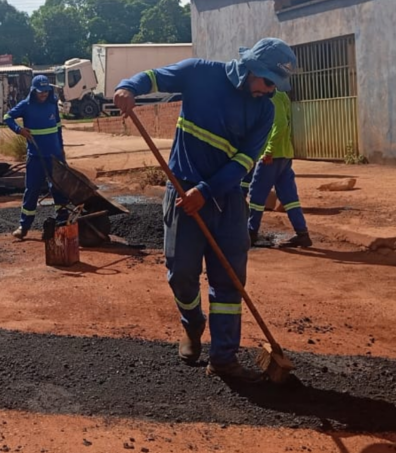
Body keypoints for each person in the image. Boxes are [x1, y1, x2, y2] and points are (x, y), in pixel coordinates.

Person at [113, 38, 298, 381]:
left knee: (228, 280)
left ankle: (224, 357)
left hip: (226, 201)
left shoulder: (265, 110)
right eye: (269, 81)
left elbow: (244, 161)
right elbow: (154, 77)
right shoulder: (199, 73)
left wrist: (208, 190)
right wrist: (128, 87)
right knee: (181, 273)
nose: (271, 90)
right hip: (182, 193)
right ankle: (192, 322)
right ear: (252, 69)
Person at [4, 75, 69, 239]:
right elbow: (7, 117)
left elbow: (58, 127)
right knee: (32, 189)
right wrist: (20, 130)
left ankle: (63, 222)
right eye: (40, 92)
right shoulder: (26, 105)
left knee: (58, 188)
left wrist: (61, 150)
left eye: (46, 91)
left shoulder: (52, 103)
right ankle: (24, 226)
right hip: (35, 156)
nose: (43, 95)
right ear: (33, 91)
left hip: (54, 156)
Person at [245, 91, 312, 248]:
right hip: (284, 155)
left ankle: (251, 233)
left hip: (271, 157)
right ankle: (302, 234)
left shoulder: (271, 97)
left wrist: (269, 151)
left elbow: (280, 123)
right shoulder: (282, 95)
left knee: (256, 194)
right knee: (289, 197)